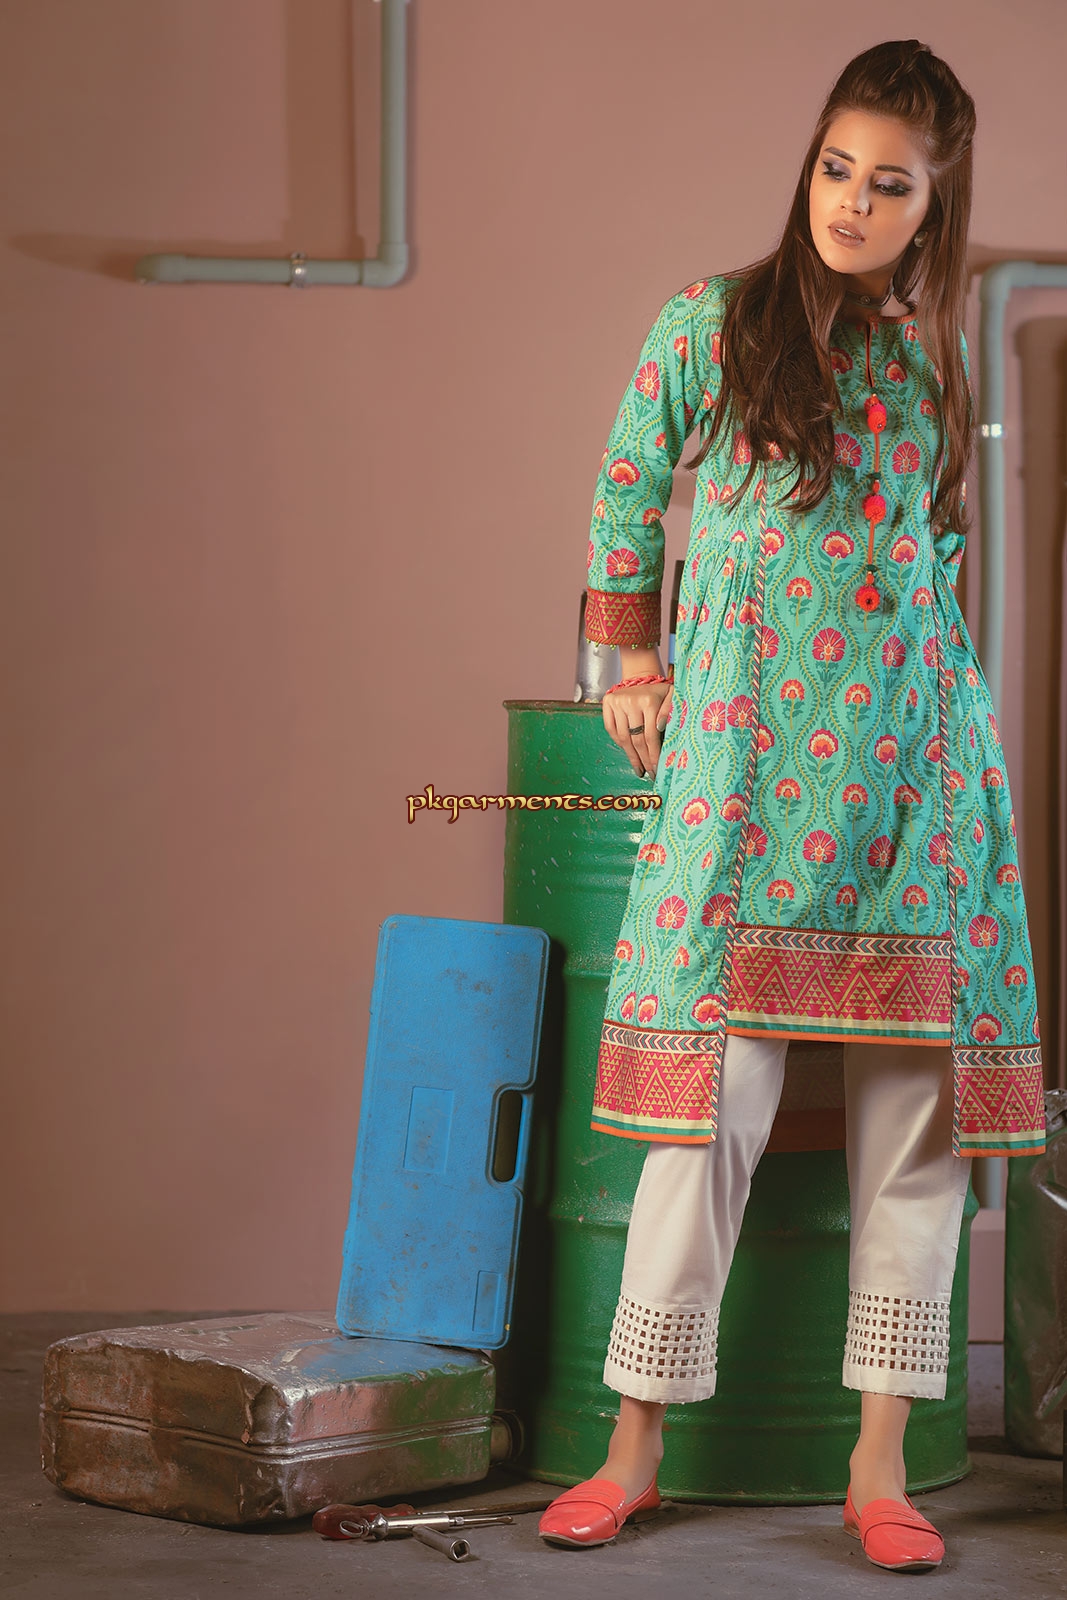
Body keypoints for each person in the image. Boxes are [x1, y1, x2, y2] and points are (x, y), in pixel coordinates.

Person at [537, 39, 1046, 1574]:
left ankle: (879, 1463)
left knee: (915, 1133)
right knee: (701, 1114)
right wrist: (629, 662)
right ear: (809, 161)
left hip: (910, 780)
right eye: (837, 167)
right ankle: (632, 1446)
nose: (852, 202)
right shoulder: (714, 321)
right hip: (748, 780)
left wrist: (954, 739)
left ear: (934, 206)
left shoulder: (932, 360)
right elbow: (628, 487)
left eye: (890, 185)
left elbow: (932, 559)